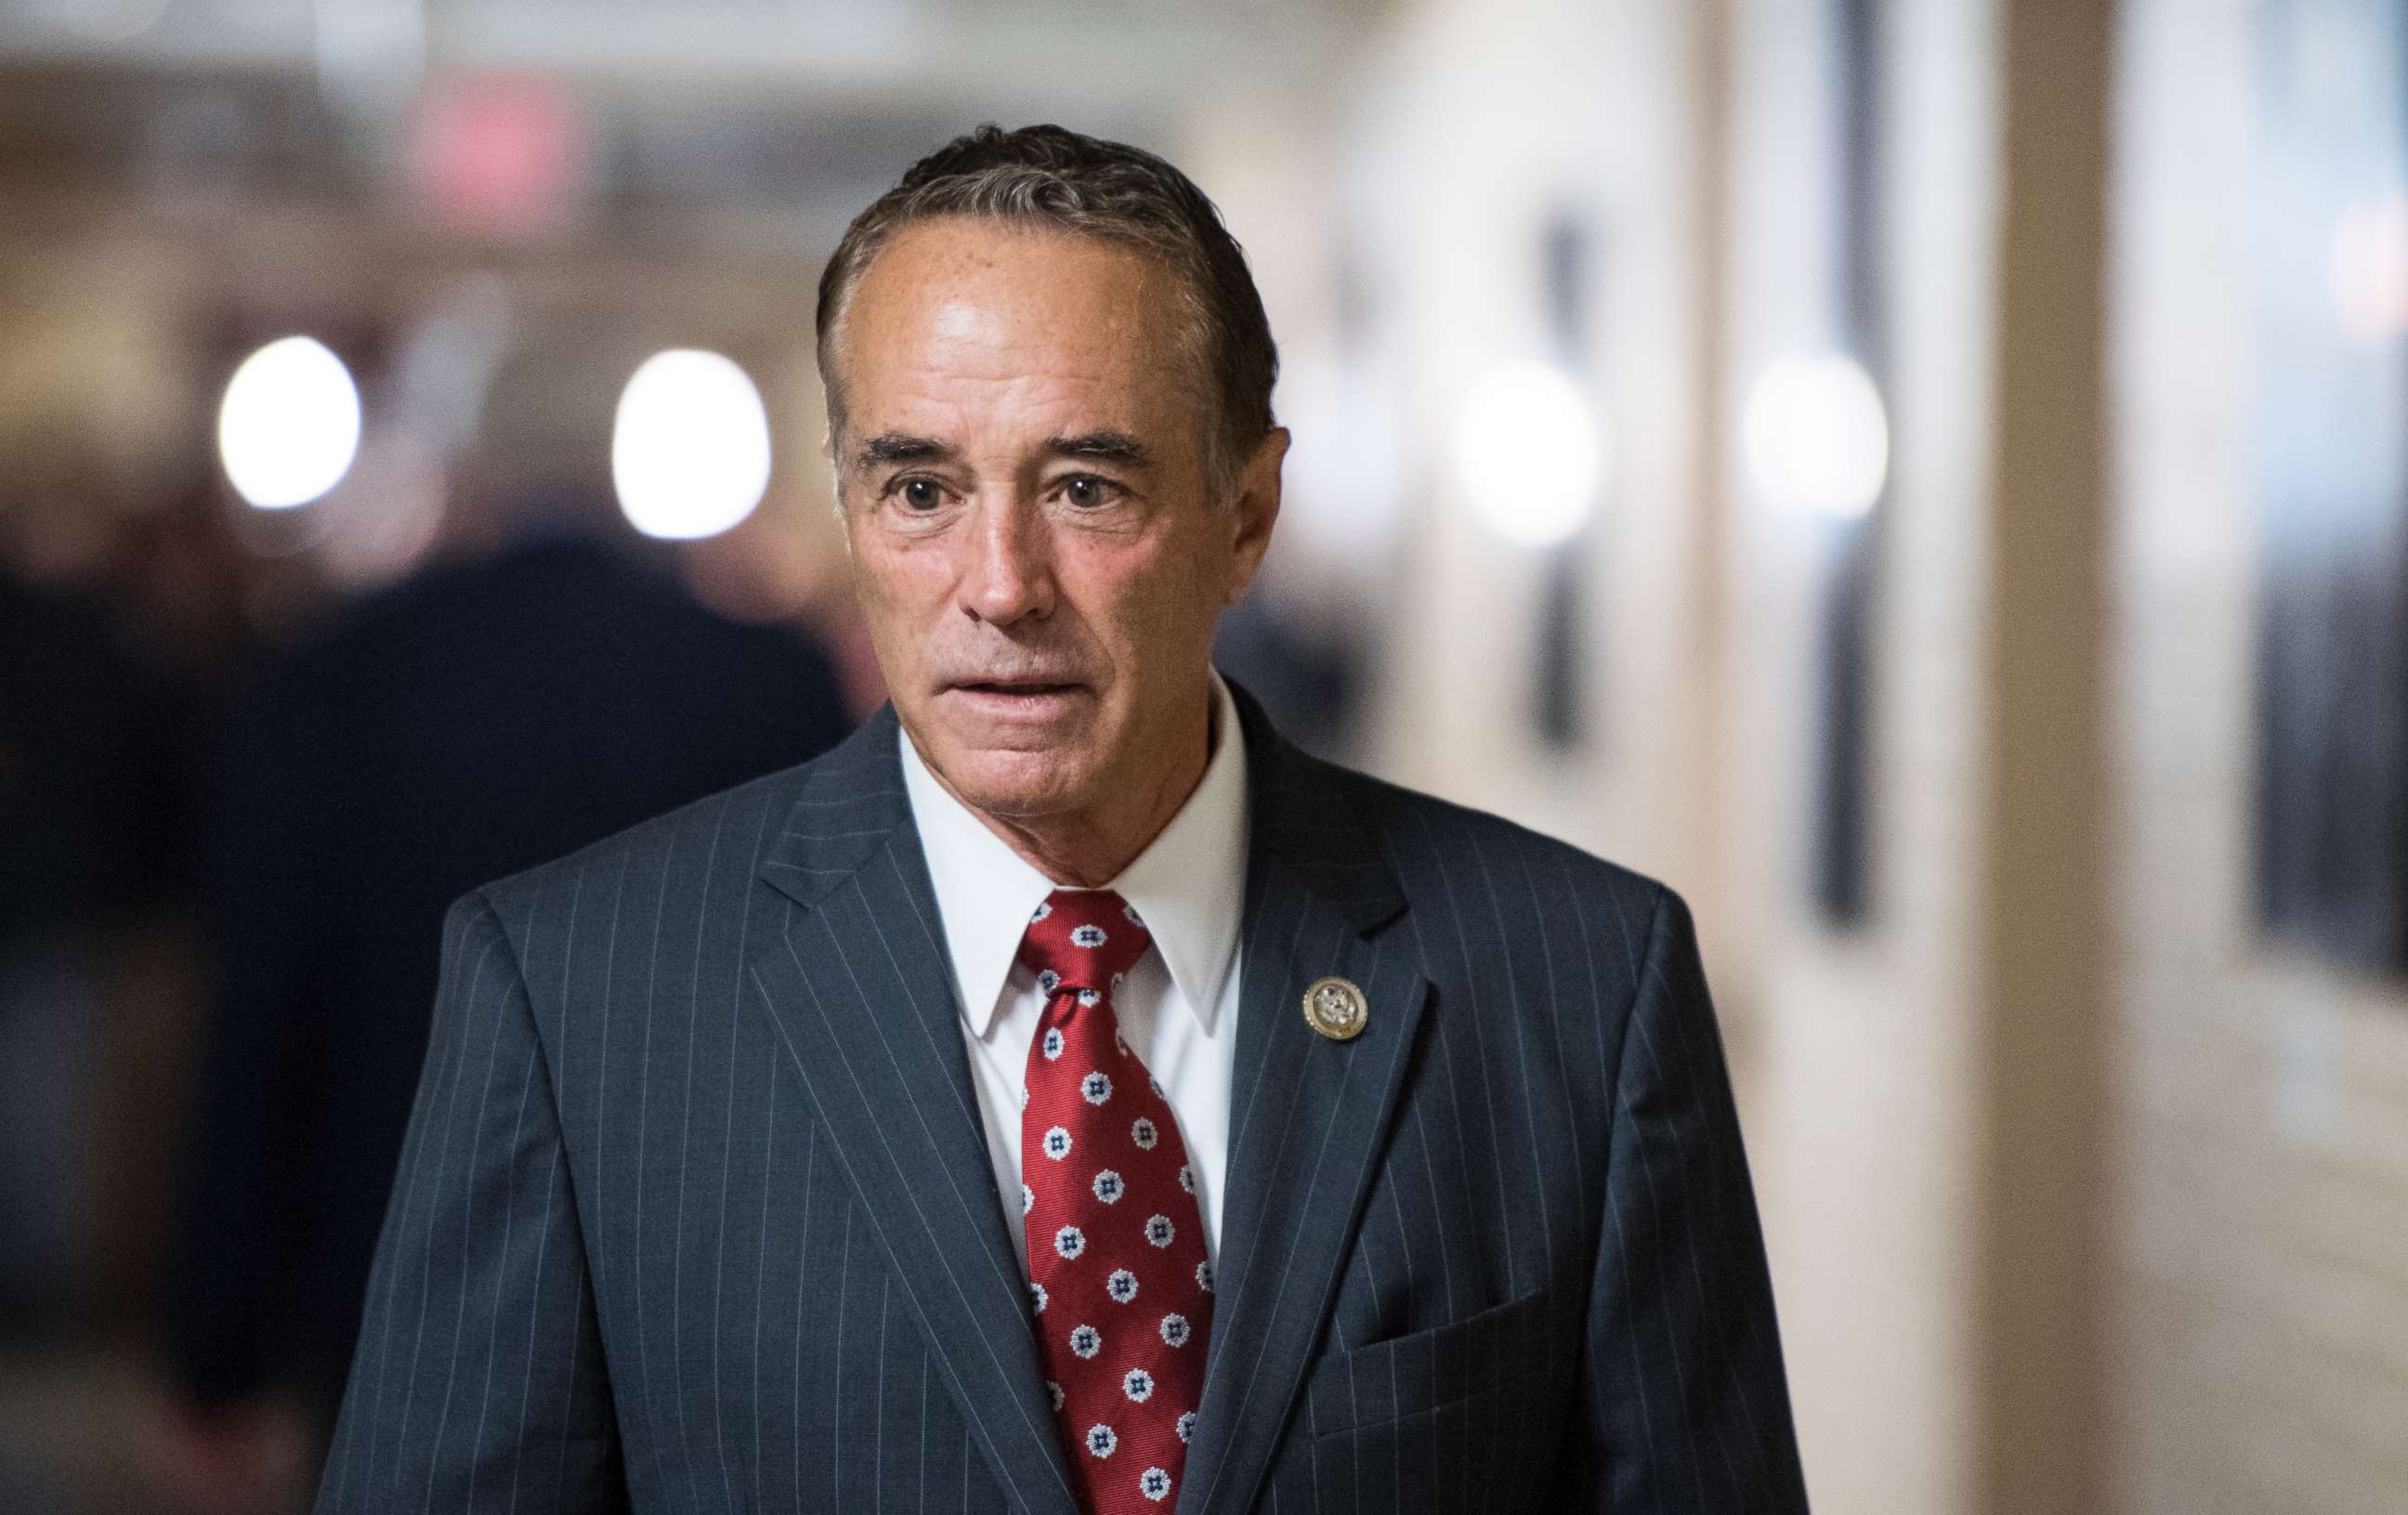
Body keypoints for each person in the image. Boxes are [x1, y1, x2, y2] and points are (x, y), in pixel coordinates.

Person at [316, 124, 1809, 1515]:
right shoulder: (577, 1000)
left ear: (1247, 515)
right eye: (920, 490)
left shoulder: (1578, 989)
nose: (1001, 583)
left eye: (1086, 487)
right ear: (849, 511)